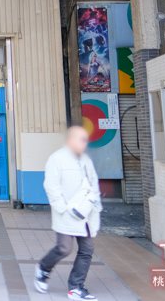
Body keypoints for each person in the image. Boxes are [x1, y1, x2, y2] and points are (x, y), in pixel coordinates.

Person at [34, 126, 101, 301]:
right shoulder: (57, 159)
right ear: (70, 139)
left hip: (86, 214)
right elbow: (51, 186)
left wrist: (96, 206)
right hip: (66, 214)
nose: (83, 143)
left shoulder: (86, 160)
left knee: (87, 249)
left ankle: (76, 287)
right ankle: (43, 268)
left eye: (85, 139)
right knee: (64, 248)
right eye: (80, 139)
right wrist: (62, 208)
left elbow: (94, 184)